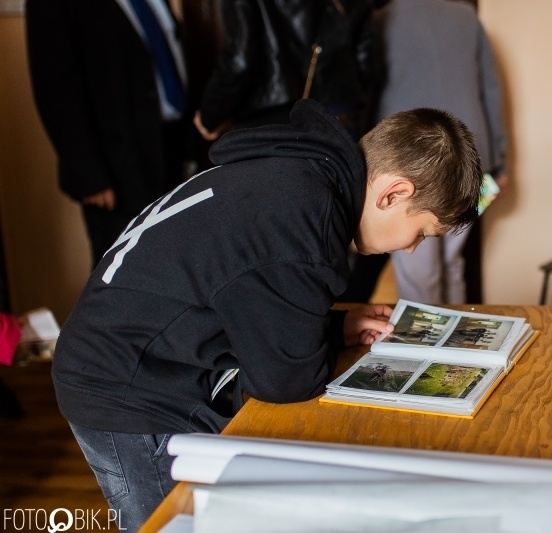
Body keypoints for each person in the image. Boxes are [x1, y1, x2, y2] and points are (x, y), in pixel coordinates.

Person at [52, 99, 483, 531]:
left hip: (144, 356)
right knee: (173, 523)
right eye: (422, 232)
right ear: (394, 193)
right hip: (124, 387)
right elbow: (286, 382)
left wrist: (332, 325)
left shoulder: (303, 172)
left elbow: (251, 294)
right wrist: (322, 337)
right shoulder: (301, 219)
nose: (410, 247)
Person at [26, 0, 191, 267]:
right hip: (116, 167)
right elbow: (54, 87)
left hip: (171, 146)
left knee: (177, 263)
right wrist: (90, 175)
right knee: (127, 272)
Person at [371, 0, 508, 304]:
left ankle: (425, 348)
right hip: (474, 155)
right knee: (452, 261)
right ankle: (453, 346)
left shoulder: (381, 19)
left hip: (407, 157)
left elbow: (369, 90)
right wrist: (500, 159)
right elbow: (490, 88)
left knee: (418, 271)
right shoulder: (466, 16)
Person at [193, 0, 379, 142]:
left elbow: (240, 61)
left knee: (276, 191)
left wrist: (210, 115)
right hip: (340, 111)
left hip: (271, 117)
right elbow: (365, 61)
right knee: (340, 190)